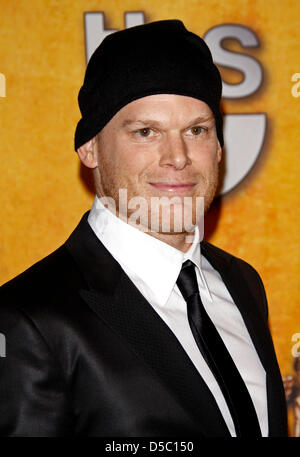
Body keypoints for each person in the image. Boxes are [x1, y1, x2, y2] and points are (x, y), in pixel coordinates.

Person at [0, 19, 287, 437]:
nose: (178, 156)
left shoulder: (242, 283)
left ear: (219, 147)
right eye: (146, 132)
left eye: (196, 130)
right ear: (90, 148)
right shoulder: (30, 321)